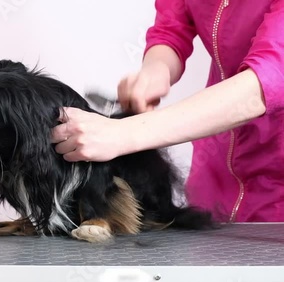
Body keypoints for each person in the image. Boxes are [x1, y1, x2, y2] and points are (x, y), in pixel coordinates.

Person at [51, 0, 284, 222]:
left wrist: (123, 133)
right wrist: (157, 68)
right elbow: (171, 28)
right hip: (214, 172)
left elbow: (268, 78)